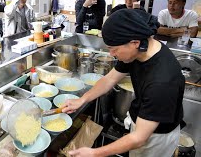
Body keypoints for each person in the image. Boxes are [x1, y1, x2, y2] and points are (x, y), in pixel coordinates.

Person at [63, 9, 184, 157]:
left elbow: (139, 138)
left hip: (156, 138)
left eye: (113, 49)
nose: (112, 54)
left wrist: (95, 153)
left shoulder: (162, 82)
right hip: (141, 123)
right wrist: (82, 100)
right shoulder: (138, 50)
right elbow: (110, 79)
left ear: (134, 43)